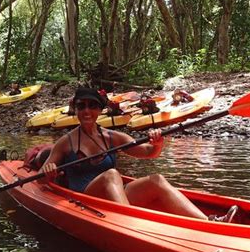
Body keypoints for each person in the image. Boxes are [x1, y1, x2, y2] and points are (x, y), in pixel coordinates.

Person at [41, 87, 237, 222]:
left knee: (156, 180)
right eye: (81, 106)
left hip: (113, 195)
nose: (86, 110)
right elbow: (43, 175)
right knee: (112, 175)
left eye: (92, 106)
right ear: (76, 109)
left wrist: (158, 143)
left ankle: (209, 222)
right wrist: (49, 171)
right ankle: (133, 223)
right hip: (85, 199)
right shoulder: (66, 142)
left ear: (99, 110)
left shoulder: (113, 137)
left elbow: (148, 153)